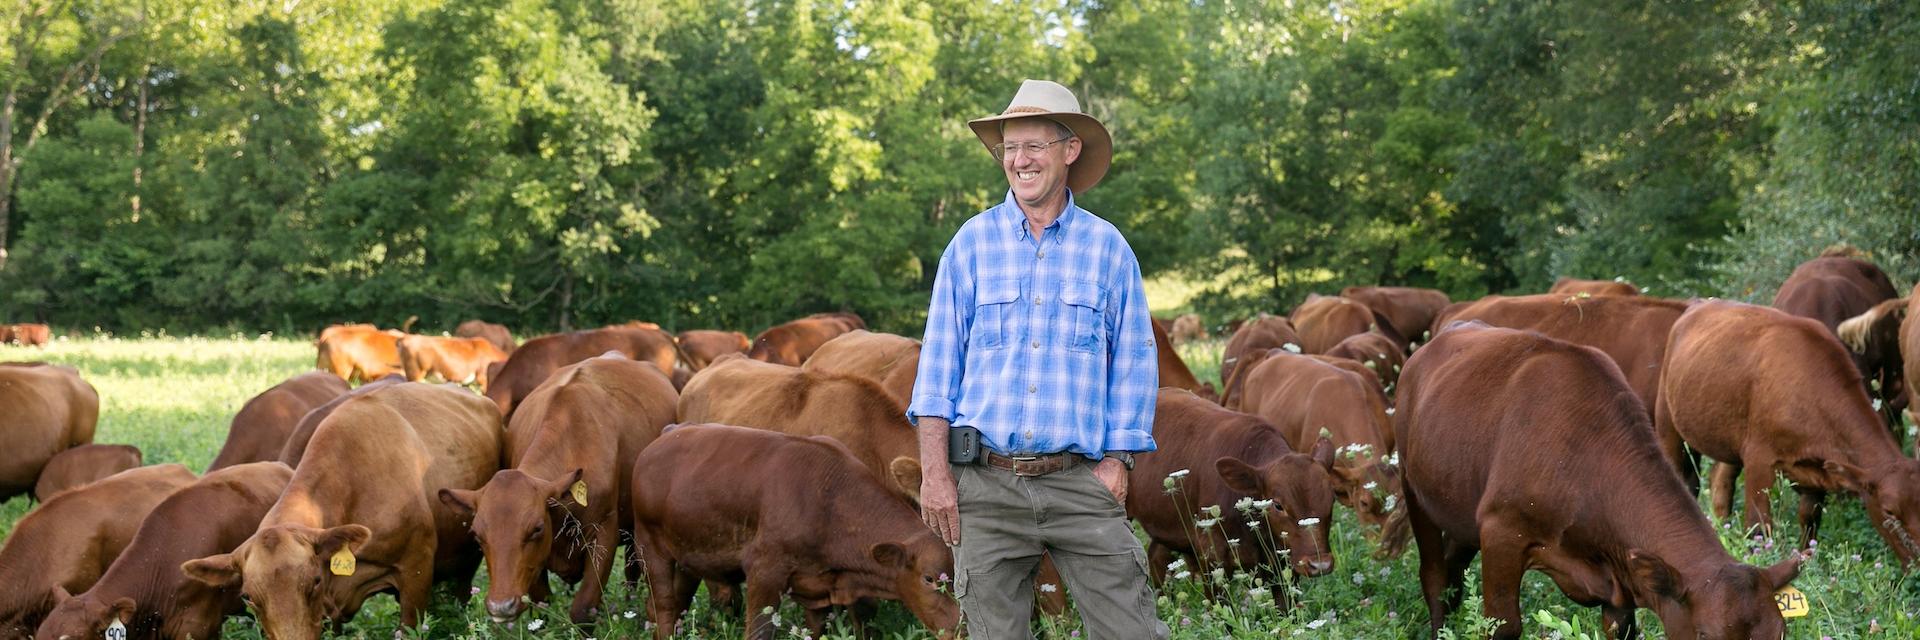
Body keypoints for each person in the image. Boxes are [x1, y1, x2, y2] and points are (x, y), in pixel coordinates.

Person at [908, 79, 1170, 639]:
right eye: (1009, 148)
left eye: (1034, 146)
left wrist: (1117, 461)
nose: (1019, 161)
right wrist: (936, 475)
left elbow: (1133, 363)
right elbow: (936, 373)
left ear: (1070, 149)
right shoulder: (970, 244)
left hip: (1080, 481)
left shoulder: (1108, 249)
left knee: (1133, 632)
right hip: (985, 484)